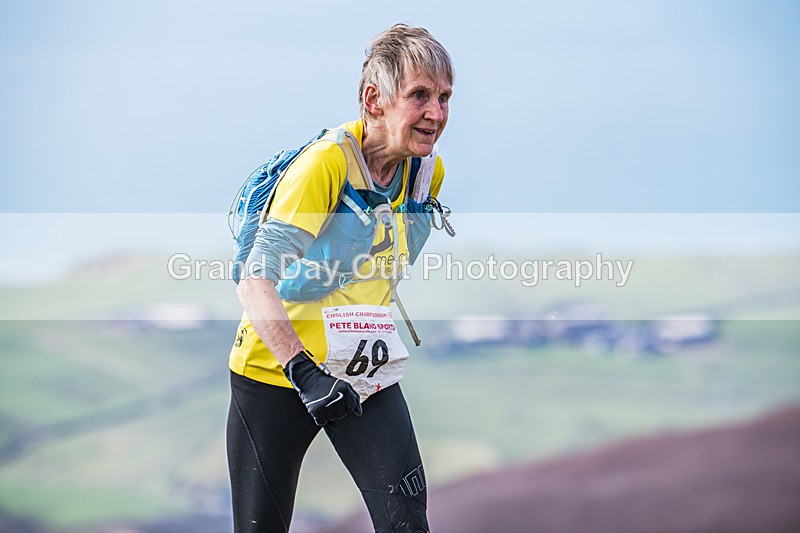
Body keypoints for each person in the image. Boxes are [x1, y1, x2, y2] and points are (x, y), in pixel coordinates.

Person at [226, 23, 454, 533]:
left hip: (361, 371)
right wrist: (305, 375)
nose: (436, 114)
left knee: (407, 524)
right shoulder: (325, 166)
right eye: (420, 95)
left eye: (444, 97)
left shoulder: (425, 172)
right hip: (275, 375)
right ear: (374, 99)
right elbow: (253, 282)